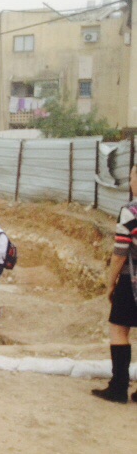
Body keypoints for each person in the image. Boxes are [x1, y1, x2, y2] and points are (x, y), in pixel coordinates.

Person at [91, 164, 137, 404]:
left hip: (132, 281)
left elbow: (120, 252)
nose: (130, 182)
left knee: (119, 329)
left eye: (131, 177)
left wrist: (110, 284)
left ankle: (118, 388)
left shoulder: (131, 210)